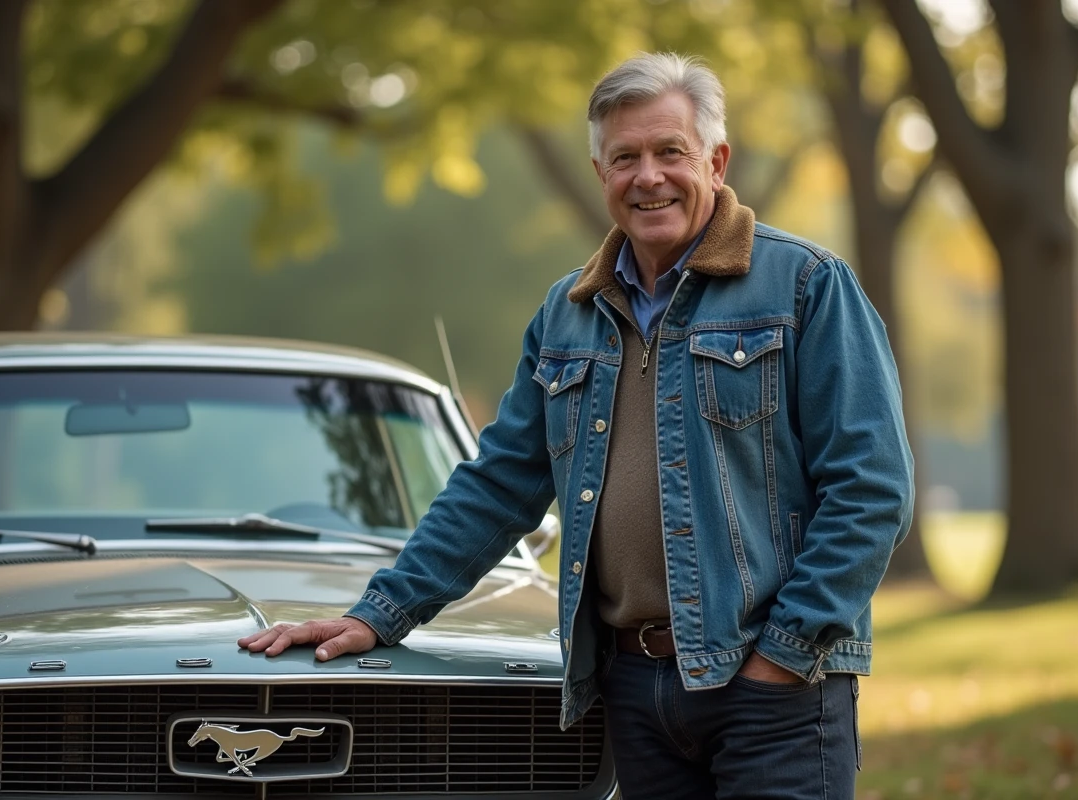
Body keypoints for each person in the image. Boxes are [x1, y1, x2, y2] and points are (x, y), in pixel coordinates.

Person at [239, 52, 913, 799]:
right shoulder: (568, 313)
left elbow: (871, 489)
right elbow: (497, 486)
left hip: (774, 693)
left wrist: (782, 656)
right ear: (601, 174)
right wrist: (380, 614)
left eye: (670, 152)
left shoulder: (807, 286)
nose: (647, 177)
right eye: (624, 157)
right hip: (632, 690)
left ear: (716, 161)